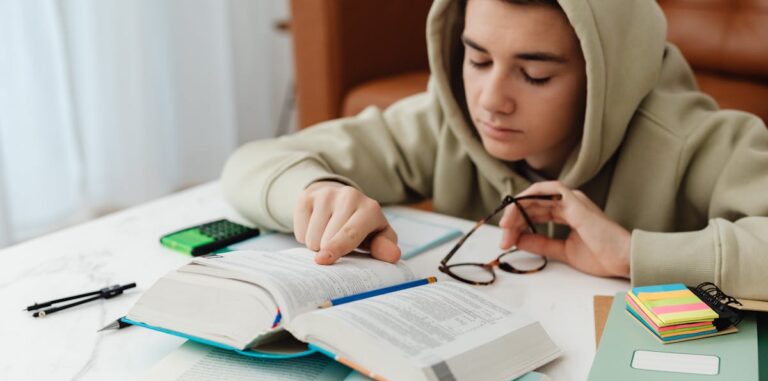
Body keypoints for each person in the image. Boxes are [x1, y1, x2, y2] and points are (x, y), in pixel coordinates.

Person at [222, 0, 768, 300]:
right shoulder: (447, 119)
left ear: (608, 80)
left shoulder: (699, 141)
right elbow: (253, 163)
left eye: (534, 75)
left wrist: (631, 253)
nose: (490, 100)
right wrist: (318, 193)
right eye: (478, 60)